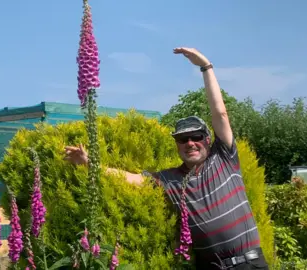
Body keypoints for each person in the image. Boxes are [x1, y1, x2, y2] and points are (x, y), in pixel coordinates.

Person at [64, 47, 269, 269]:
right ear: (177, 145)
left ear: (208, 139)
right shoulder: (170, 180)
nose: (190, 143)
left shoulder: (224, 158)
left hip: (251, 263)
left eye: (196, 136)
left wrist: (206, 67)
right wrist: (89, 163)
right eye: (182, 139)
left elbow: (220, 114)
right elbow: (132, 179)